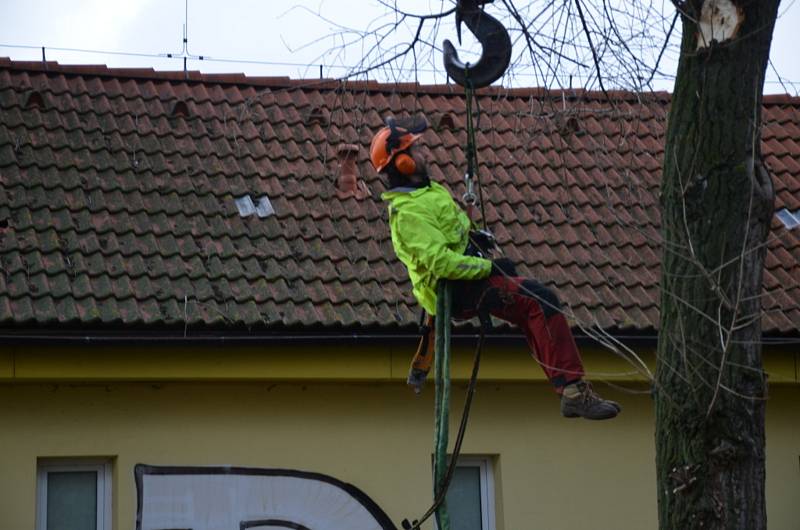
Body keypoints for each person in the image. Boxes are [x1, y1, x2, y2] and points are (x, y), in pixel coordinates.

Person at [370, 117, 621, 420]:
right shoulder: (408, 212)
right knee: (540, 300)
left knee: (528, 298)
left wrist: (475, 236)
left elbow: (451, 231)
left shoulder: (427, 191)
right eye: (417, 150)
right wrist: (485, 266)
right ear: (404, 163)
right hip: (453, 288)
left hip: (464, 276)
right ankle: (572, 390)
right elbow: (440, 262)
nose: (425, 155)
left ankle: (565, 384)